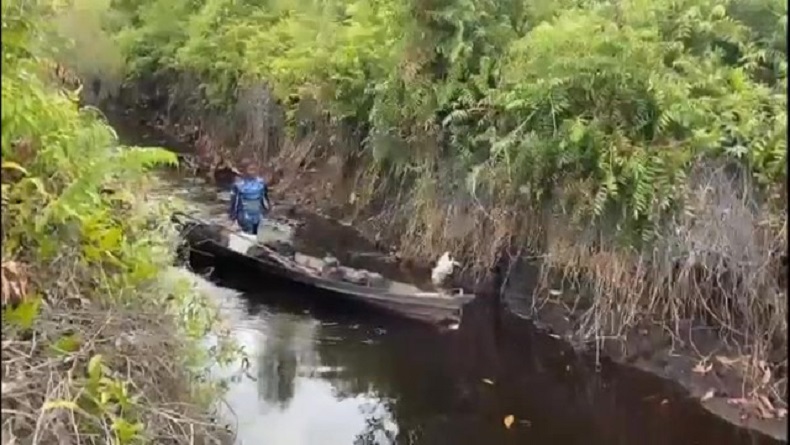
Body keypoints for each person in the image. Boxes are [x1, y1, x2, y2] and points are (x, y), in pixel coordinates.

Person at [228, 159, 271, 235]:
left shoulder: (261, 183)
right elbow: (234, 203)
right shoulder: (239, 185)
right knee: (249, 233)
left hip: (257, 215)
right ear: (244, 171)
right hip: (244, 216)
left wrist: (267, 209)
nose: (253, 172)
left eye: (255, 169)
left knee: (256, 234)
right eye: (250, 170)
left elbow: (264, 198)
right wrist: (232, 218)